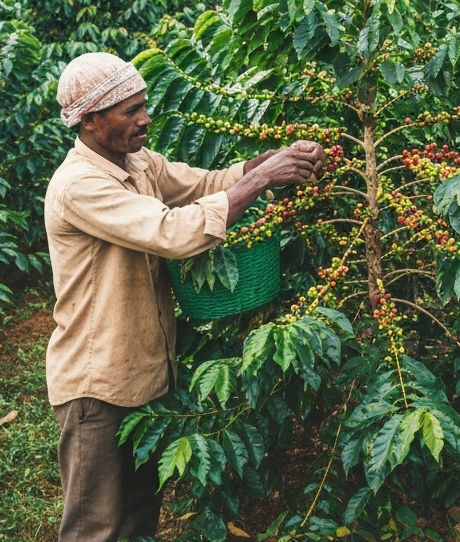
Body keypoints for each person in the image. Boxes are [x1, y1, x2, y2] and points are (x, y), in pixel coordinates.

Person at [44, 52, 323, 541]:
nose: (145, 119)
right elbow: (173, 232)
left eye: (143, 106)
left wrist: (272, 161)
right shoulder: (79, 186)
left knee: (137, 517)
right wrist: (262, 181)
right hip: (97, 384)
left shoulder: (138, 163)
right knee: (95, 527)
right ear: (89, 120)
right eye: (129, 111)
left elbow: (206, 185)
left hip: (147, 373)